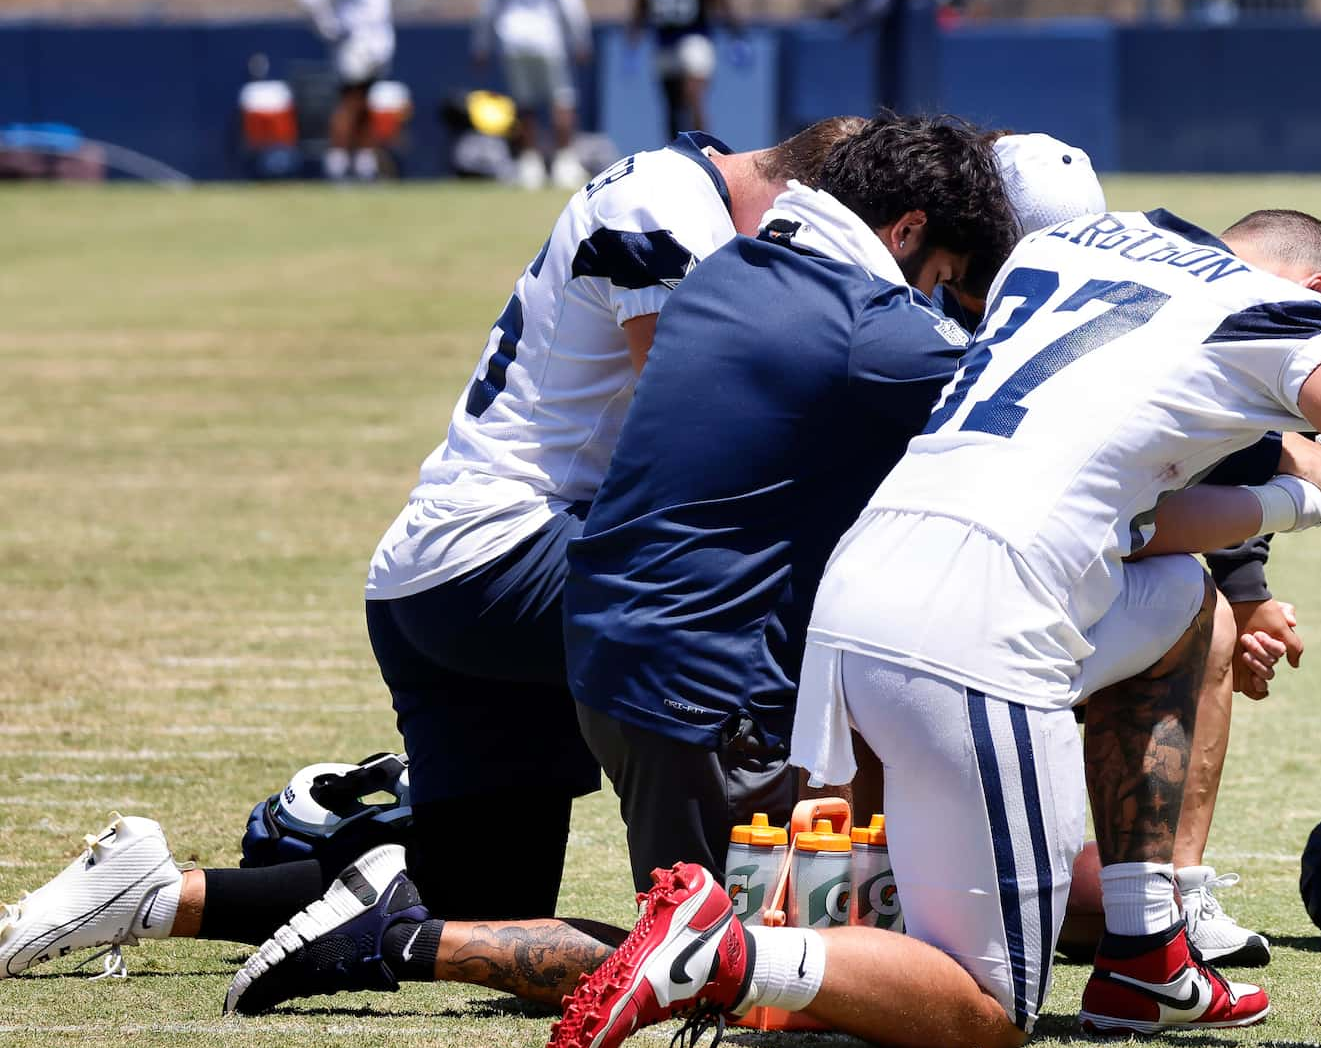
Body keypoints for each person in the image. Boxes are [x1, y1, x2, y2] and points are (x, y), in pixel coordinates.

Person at [541, 205, 1321, 1048]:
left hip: (861, 592)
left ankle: (1147, 951)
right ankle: (720, 950)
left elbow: (1136, 522)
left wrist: (1294, 497)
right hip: (977, 625)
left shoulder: (1072, 246)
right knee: (988, 1005)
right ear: (1312, 289)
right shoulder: (1284, 316)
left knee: (1179, 605)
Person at [0, 121, 867, 979]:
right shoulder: (671, 209)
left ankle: (153, 895)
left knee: (474, 904)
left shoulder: (678, 183)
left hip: (452, 573)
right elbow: (689, 445)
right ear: (809, 209)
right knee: (731, 608)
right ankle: (724, 935)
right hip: (501, 559)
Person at [217, 115, 1021, 1016]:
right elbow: (712, 458)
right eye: (940, 279)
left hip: (476, 570)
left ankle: (168, 896)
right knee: (717, 950)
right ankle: (405, 926)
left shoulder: (717, 244)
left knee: (489, 903)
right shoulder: (698, 231)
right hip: (526, 558)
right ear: (897, 225)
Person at [474, 0, 592, 191]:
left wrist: (481, 44)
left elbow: (488, 6)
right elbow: (570, 4)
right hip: (548, 38)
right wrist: (582, 41)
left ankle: (529, 165)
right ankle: (563, 163)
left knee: (524, 103)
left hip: (512, 37)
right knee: (561, 99)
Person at [298, 0, 395, 181]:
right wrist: (328, 26)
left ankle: (364, 164)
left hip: (378, 45)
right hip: (354, 44)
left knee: (366, 103)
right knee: (350, 101)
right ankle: (337, 162)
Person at [625, 0, 731, 138]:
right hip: (664, 39)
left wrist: (734, 30)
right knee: (671, 102)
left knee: (693, 94)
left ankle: (704, 150)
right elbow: (640, 4)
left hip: (694, 35)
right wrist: (633, 39)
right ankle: (674, 153)